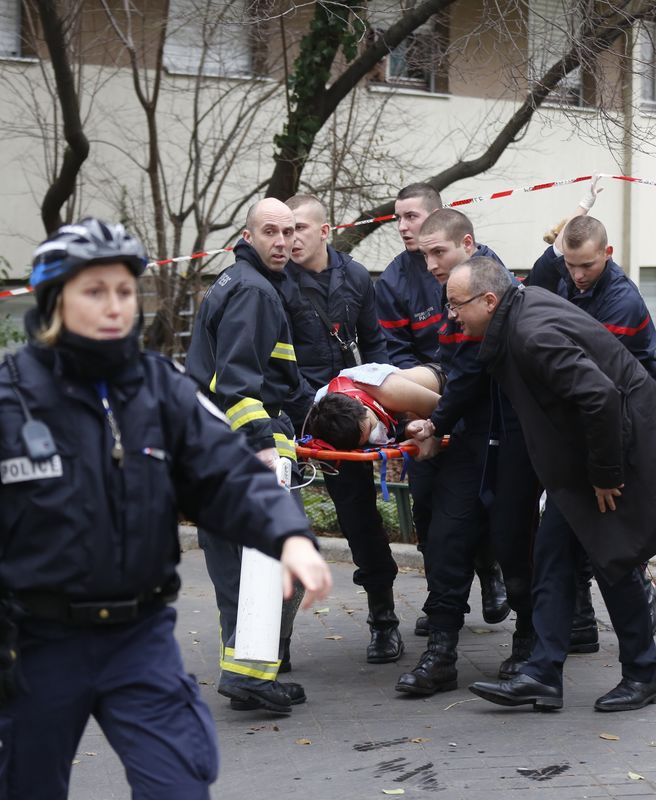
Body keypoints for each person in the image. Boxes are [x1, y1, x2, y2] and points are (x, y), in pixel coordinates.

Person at [0, 217, 332, 799]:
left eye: (125, 291)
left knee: (179, 783)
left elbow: (227, 472)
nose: (115, 306)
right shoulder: (10, 399)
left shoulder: (160, 387)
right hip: (35, 644)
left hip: (140, 641)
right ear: (54, 300)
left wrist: (289, 535)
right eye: (94, 291)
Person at [442, 257, 656, 712]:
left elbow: (599, 398)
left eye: (456, 305)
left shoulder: (530, 334)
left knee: (612, 559)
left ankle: (644, 671)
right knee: (553, 557)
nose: (451, 315)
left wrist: (604, 476)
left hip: (614, 452)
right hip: (590, 456)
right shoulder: (520, 311)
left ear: (489, 300)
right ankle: (542, 673)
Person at [395, 209, 540, 697]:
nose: (430, 262)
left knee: (517, 544)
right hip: (473, 437)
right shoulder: (455, 292)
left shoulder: (497, 294)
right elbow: (455, 371)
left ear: (467, 245)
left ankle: (528, 647)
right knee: (446, 541)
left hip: (515, 440)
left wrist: (435, 422)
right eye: (425, 253)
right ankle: (440, 655)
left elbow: (473, 374)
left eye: (439, 251)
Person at [185, 198, 311, 713]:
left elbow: (272, 376)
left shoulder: (241, 282)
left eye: (289, 231)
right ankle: (249, 675)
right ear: (248, 234)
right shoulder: (255, 293)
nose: (281, 242)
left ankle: (247, 675)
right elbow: (236, 387)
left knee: (240, 568)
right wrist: (263, 450)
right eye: (270, 232)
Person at [527, 180, 656, 652]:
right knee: (570, 540)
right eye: (571, 264)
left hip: (626, 424)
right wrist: (579, 208)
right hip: (591, 424)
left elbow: (596, 384)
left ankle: (638, 632)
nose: (578, 275)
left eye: (588, 265)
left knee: (613, 543)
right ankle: (575, 632)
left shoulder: (621, 300)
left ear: (609, 253)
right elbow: (536, 280)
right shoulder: (563, 274)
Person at [279, 194, 406, 665]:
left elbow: (375, 346)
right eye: (284, 230)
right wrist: (306, 412)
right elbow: (277, 361)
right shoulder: (275, 283)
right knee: (284, 528)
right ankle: (277, 640)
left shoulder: (354, 276)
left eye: (299, 229)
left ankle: (383, 621)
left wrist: (380, 409)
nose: (291, 239)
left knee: (360, 521)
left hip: (345, 421)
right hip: (296, 420)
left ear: (325, 230)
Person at [375, 184, 509, 632]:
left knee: (484, 505)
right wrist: (424, 413)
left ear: (439, 220)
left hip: (482, 411)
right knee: (431, 510)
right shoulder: (394, 279)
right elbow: (397, 353)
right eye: (397, 218)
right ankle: (441, 605)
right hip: (428, 404)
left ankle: (490, 576)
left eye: (411, 217)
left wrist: (443, 411)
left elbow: (478, 357)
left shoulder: (486, 273)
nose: (402, 227)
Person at [307, 362, 444, 450]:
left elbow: (448, 409)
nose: (376, 436)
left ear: (359, 402)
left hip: (443, 387)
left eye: (372, 426)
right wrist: (408, 429)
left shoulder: (388, 391)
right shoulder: (323, 419)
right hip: (410, 417)